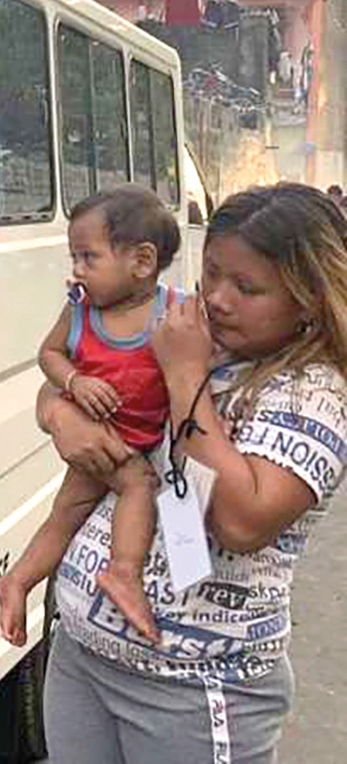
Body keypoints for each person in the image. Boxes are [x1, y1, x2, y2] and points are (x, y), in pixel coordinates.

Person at [38, 182, 347, 764]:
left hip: (191, 686)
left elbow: (241, 519)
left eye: (247, 287)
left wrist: (184, 376)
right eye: (212, 276)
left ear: (308, 297)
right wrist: (59, 415)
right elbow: (71, 375)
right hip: (83, 652)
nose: (219, 299)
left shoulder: (314, 392)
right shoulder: (196, 336)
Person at [0, 185, 180, 646]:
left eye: (88, 258)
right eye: (74, 258)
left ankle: (25, 578)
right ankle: (109, 573)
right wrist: (73, 383)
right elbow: (49, 354)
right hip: (102, 449)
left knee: (71, 514)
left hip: (129, 443)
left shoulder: (174, 313)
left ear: (141, 262)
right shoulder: (79, 311)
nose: (77, 270)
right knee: (91, 505)